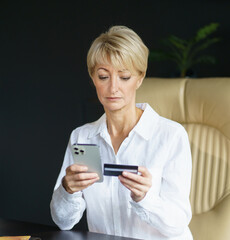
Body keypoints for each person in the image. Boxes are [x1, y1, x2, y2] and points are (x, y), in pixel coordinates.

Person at [50, 25, 193, 240]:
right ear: (93, 78)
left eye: (124, 77)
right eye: (103, 76)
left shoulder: (171, 136)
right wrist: (67, 190)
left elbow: (177, 224)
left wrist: (145, 198)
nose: (113, 88)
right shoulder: (82, 137)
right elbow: (63, 222)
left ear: (140, 78)